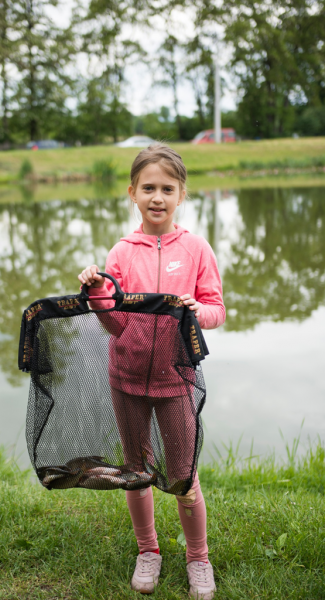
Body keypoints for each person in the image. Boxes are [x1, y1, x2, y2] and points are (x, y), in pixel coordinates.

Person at [78, 143, 225, 599]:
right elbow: (115, 324)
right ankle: (149, 551)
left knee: (183, 476)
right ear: (132, 194)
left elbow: (217, 310)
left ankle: (198, 557)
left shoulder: (197, 249)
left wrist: (197, 311)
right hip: (125, 379)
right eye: (148, 188)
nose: (157, 197)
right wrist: (99, 292)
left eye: (166, 188)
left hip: (176, 380)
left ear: (182, 194)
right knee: (136, 470)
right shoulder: (121, 252)